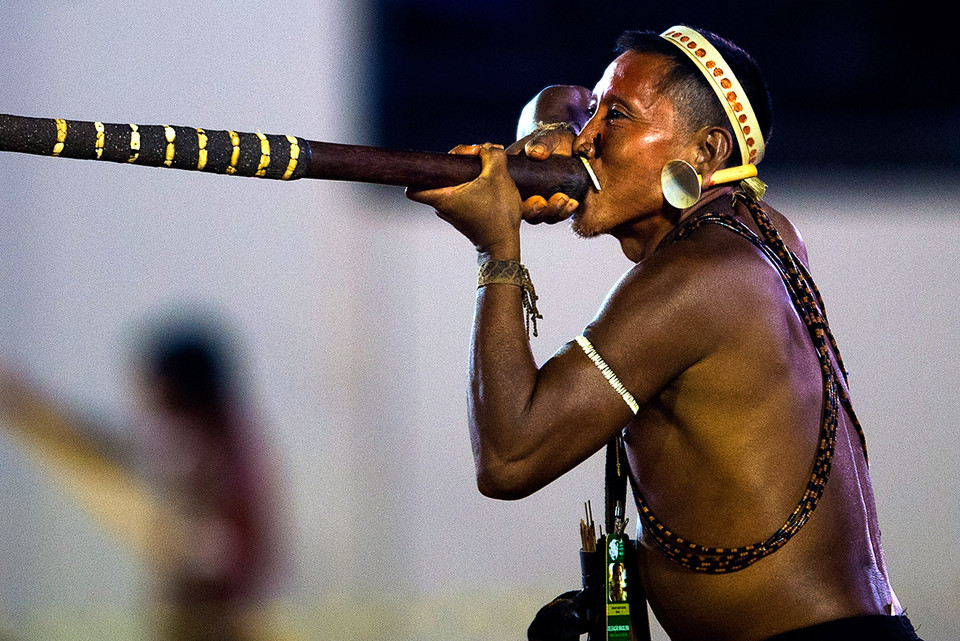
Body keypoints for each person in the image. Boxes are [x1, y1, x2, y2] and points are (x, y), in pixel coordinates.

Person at [406, 25, 922, 641]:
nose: (588, 138)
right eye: (592, 114)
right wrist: (548, 133)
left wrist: (497, 248)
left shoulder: (696, 278)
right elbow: (561, 100)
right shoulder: (763, 232)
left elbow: (509, 457)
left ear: (705, 153)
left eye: (616, 117)